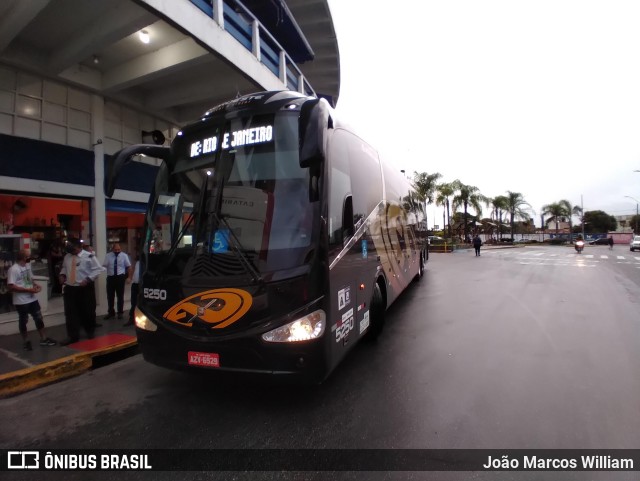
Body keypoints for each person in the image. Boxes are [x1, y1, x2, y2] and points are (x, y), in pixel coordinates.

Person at [58, 238, 105, 345]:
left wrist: (88, 279)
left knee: (87, 311)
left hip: (84, 288)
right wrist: (62, 275)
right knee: (70, 313)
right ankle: (73, 336)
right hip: (70, 287)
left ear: (79, 247)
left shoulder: (89, 256)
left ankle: (90, 331)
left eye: (74, 249)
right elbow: (64, 268)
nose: (72, 252)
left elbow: (98, 269)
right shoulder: (67, 257)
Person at [7, 250, 57, 351]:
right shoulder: (13, 269)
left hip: (31, 298)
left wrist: (35, 285)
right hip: (21, 301)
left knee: (38, 317)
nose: (30, 258)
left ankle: (43, 338)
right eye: (28, 256)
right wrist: (27, 290)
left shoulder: (27, 266)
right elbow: (11, 286)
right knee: (23, 320)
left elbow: (29, 278)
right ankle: (26, 341)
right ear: (23, 258)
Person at [102, 243, 131, 320]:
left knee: (120, 296)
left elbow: (128, 267)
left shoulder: (124, 256)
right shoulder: (108, 256)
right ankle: (111, 312)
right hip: (111, 277)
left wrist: (129, 277)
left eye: (119, 250)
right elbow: (104, 265)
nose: (117, 251)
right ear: (112, 249)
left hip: (120, 277)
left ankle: (120, 312)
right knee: (110, 296)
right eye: (115, 250)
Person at [124, 252, 140, 327]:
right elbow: (133, 270)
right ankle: (132, 318)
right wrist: (130, 277)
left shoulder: (146, 263)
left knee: (139, 302)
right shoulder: (137, 263)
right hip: (135, 284)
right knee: (133, 302)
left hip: (141, 285)